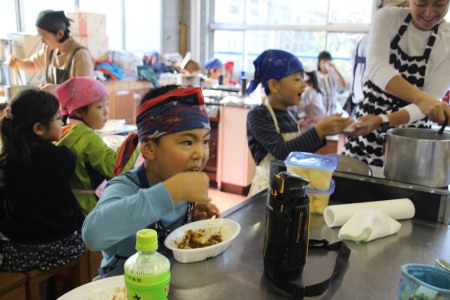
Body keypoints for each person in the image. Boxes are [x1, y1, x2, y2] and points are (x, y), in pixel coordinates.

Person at [82, 85, 220, 276]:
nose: (200, 153)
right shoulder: (125, 187)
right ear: (149, 149)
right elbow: (93, 235)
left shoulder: (178, 181)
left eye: (204, 141)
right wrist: (172, 192)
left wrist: (192, 218)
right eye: (187, 142)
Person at [344, 0, 450, 166]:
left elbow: (430, 101)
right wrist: (423, 100)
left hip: (410, 141)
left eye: (439, 4)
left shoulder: (447, 41)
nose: (429, 13)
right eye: (421, 4)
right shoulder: (387, 18)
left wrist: (384, 120)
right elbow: (377, 68)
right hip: (365, 130)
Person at [246, 49, 352, 197]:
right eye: (297, 79)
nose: (303, 85)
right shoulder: (258, 115)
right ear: (274, 85)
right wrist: (319, 130)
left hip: (289, 188)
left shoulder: (292, 114)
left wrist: (328, 130)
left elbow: (298, 153)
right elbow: (282, 152)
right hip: (266, 191)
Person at [0, 90, 85, 273]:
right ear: (38, 128)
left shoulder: (6, 161)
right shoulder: (63, 156)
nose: (62, 122)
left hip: (20, 252)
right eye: (58, 118)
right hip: (64, 245)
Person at [55, 77, 138, 216]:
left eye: (107, 105)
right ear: (78, 112)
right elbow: (115, 168)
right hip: (89, 208)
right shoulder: (87, 137)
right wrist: (133, 141)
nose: (106, 112)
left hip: (71, 204)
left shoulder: (65, 130)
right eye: (100, 107)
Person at [8, 10, 94, 93]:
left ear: (60, 34)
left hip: (75, 108)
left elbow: (84, 91)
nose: (42, 41)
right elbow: (33, 64)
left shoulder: (80, 55)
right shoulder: (49, 50)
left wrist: (56, 90)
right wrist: (17, 63)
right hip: (56, 107)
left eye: (44, 37)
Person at [316, 51, 347, 116]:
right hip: (320, 104)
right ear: (319, 63)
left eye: (328, 61)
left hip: (333, 105)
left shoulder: (332, 73)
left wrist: (335, 69)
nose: (326, 64)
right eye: (324, 61)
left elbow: (343, 85)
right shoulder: (315, 75)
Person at [296, 67, 327, 133]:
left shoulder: (308, 92)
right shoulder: (315, 90)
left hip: (314, 123)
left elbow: (299, 109)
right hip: (319, 121)